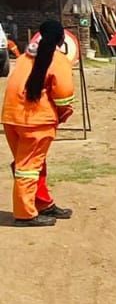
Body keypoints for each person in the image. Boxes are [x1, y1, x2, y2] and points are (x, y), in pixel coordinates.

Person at [2, 19, 75, 227]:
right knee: (27, 167)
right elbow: (64, 95)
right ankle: (25, 214)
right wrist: (63, 114)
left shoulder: (26, 56)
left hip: (11, 118)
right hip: (36, 122)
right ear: (61, 39)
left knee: (33, 165)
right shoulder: (57, 60)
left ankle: (43, 203)